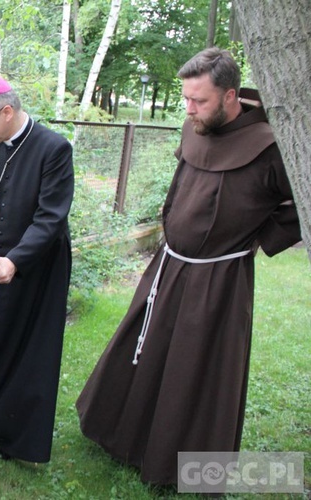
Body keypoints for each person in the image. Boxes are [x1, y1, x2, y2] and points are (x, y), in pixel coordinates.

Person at [76, 48, 301, 485]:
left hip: (219, 279)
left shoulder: (271, 146)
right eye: (186, 98)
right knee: (144, 352)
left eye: (199, 100)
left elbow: (298, 207)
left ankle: (180, 468)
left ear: (231, 95)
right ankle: (123, 439)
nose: (189, 109)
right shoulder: (196, 124)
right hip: (169, 265)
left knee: (194, 370)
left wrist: (257, 239)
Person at [0, 76, 74, 463]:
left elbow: (50, 218)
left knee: (28, 348)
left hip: (38, 263)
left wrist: (16, 260)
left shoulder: (53, 148)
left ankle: (17, 436)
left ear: (7, 112)